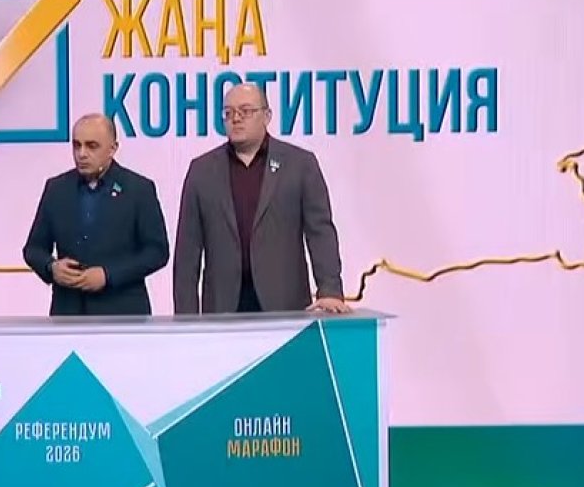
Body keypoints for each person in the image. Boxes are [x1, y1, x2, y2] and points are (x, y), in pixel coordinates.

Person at [173, 83, 350, 315]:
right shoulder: (202, 171)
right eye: (228, 113)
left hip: (286, 304)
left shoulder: (300, 164)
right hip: (223, 307)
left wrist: (330, 290)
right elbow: (187, 252)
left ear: (267, 116)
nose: (236, 118)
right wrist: (185, 317)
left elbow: (320, 233)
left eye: (245, 111)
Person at [23, 113, 169, 316]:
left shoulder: (139, 190)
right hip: (68, 313)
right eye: (77, 145)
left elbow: (157, 252)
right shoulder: (57, 189)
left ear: (112, 149)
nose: (81, 154)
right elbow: (33, 249)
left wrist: (108, 275)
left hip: (123, 315)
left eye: (92, 146)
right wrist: (51, 267)